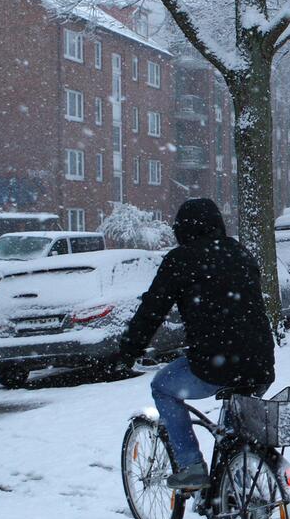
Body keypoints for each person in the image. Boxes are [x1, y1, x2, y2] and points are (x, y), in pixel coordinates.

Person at [118, 198, 275, 489]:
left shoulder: (181, 259)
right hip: (260, 363)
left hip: (215, 365)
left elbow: (152, 311)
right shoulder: (240, 252)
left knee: (162, 387)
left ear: (181, 229)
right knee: (234, 436)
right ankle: (237, 491)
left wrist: (128, 349)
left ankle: (191, 466)